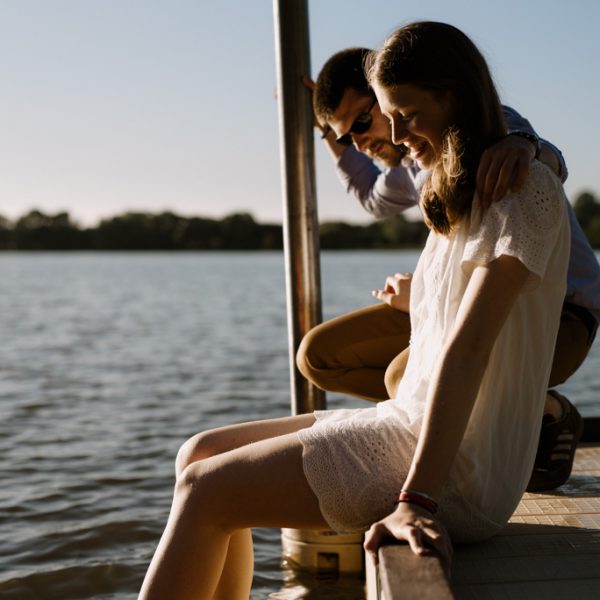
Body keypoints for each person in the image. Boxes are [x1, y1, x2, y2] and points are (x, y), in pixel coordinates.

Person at [139, 21, 575, 598]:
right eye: (387, 114)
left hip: (461, 474)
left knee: (206, 490)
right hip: (409, 419)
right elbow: (438, 309)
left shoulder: (523, 191)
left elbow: (468, 351)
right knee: (199, 452)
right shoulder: (454, 189)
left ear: (455, 95)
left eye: (407, 113)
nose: (394, 133)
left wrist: (416, 502)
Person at [297, 47, 600, 492]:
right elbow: (367, 193)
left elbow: (536, 159)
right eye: (348, 138)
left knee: (401, 376)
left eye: (362, 123)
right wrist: (329, 132)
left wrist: (527, 145)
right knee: (319, 356)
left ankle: (529, 417)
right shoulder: (412, 168)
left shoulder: (484, 127)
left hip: (558, 316)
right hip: (463, 307)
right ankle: (525, 412)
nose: (359, 142)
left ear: (388, 98)